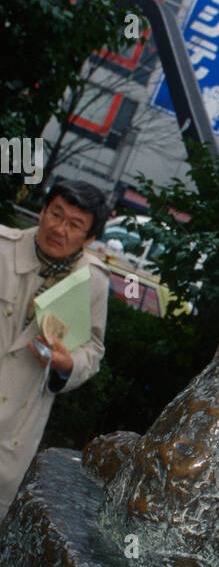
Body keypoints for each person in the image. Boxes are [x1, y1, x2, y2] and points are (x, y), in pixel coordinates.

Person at [0, 179, 111, 521]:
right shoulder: (3, 248)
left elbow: (93, 349)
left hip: (16, 427)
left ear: (89, 238)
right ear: (42, 211)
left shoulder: (92, 281)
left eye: (74, 225)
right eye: (55, 214)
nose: (59, 229)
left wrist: (67, 364)